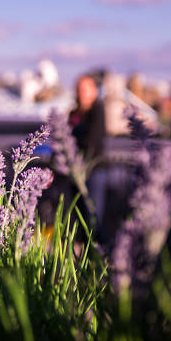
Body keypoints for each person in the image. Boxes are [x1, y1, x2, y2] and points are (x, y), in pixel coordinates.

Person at [69, 75, 107, 227]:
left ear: (94, 92)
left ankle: (94, 249)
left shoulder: (98, 110)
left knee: (93, 215)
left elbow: (92, 140)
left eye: (85, 90)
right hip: (76, 171)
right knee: (78, 215)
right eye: (79, 90)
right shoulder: (73, 114)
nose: (81, 93)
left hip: (95, 170)